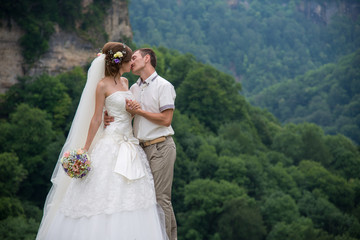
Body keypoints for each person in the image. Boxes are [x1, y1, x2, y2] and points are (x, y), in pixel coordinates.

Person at [36, 42, 168, 240]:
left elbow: (127, 114)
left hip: (129, 143)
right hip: (110, 143)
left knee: (133, 196)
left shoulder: (125, 83)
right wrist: (85, 149)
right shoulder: (102, 85)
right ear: (120, 62)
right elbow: (96, 118)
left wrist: (132, 113)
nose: (131, 63)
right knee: (102, 194)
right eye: (129, 60)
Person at [105, 48, 177, 240]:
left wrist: (140, 111)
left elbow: (166, 119)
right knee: (144, 199)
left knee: (161, 199)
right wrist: (108, 117)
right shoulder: (133, 88)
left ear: (147, 59)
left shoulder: (164, 86)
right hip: (139, 149)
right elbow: (124, 112)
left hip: (161, 146)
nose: (131, 61)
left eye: (135, 57)